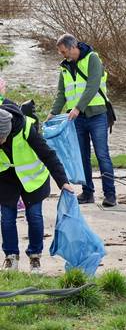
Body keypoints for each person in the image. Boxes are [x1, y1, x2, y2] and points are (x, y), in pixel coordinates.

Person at [0, 105, 74, 273]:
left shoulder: (27, 129)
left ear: (8, 130)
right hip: (6, 178)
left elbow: (48, 155)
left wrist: (63, 181)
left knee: (34, 216)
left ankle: (35, 257)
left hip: (32, 177)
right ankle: (11, 257)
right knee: (7, 217)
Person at [47, 34, 116, 207]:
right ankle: (87, 193)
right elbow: (61, 93)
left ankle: (110, 195)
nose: (63, 55)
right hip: (77, 119)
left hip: (97, 115)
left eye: (64, 51)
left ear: (73, 47)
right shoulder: (64, 67)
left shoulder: (93, 59)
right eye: (61, 52)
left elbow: (93, 86)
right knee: (82, 156)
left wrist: (78, 108)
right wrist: (53, 113)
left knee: (102, 155)